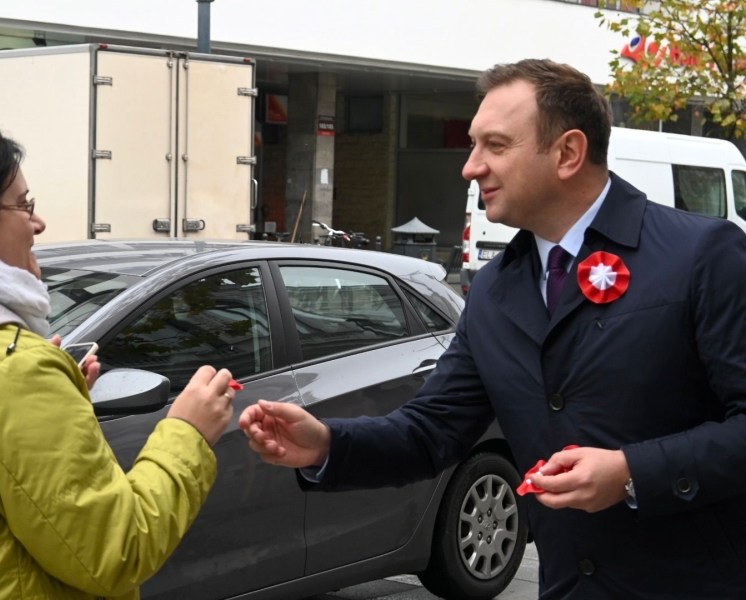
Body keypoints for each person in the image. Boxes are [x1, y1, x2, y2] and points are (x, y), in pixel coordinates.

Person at [241, 59, 746, 599]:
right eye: (473, 145)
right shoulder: (494, 290)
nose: (471, 167)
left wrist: (632, 473)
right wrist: (326, 444)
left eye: (496, 146)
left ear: (568, 153)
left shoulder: (701, 255)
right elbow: (431, 431)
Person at [0, 118, 236, 599]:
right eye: (23, 205)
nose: (38, 223)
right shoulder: (12, 373)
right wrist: (188, 432)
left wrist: (54, 396)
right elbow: (118, 552)